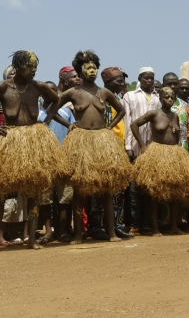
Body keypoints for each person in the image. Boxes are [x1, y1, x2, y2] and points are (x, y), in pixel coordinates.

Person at [0, 50, 67, 253]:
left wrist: (46, 121)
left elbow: (57, 100)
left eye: (35, 67)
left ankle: (31, 238)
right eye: (29, 67)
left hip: (32, 140)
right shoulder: (3, 87)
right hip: (9, 140)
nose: (33, 70)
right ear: (18, 66)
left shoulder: (38, 86)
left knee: (33, 192)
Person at [58, 51, 132, 244]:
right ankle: (78, 234)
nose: (91, 71)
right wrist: (69, 125)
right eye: (87, 68)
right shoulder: (73, 93)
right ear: (80, 71)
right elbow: (52, 110)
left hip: (102, 141)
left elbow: (122, 110)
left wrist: (109, 125)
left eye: (94, 68)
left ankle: (112, 233)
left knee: (107, 187)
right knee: (78, 189)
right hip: (81, 141)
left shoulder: (104, 92)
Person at [131, 87, 189, 236]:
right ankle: (155, 228)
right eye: (166, 97)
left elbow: (179, 134)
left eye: (172, 97)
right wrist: (142, 144)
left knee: (175, 193)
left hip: (174, 155)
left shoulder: (175, 116)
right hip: (157, 153)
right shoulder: (154, 114)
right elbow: (134, 125)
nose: (169, 99)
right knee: (156, 193)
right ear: (160, 99)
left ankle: (173, 226)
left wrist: (179, 146)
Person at [122, 66, 160, 235]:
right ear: (139, 78)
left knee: (149, 187)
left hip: (152, 148)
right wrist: (128, 146)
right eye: (146, 78)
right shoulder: (129, 96)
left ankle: (147, 223)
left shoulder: (157, 98)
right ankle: (135, 223)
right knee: (134, 188)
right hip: (136, 148)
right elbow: (127, 120)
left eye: (151, 78)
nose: (149, 81)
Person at [37, 81, 75, 244]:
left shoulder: (66, 112)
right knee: (45, 198)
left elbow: (73, 131)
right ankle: (48, 232)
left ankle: (64, 230)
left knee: (65, 197)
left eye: (53, 90)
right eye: (47, 90)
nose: (51, 93)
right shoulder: (36, 113)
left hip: (64, 157)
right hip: (44, 159)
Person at [163, 72, 189, 153]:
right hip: (165, 148)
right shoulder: (157, 103)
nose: (173, 86)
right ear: (163, 85)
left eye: (175, 84)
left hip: (183, 148)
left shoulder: (185, 104)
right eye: (169, 84)